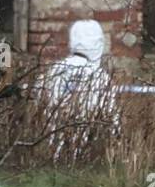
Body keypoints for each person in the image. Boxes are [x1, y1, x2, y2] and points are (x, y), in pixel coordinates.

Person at [43, 19, 120, 158]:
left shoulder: (55, 70)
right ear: (98, 44)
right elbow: (110, 116)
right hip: (87, 149)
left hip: (53, 144)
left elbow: (42, 104)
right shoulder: (99, 76)